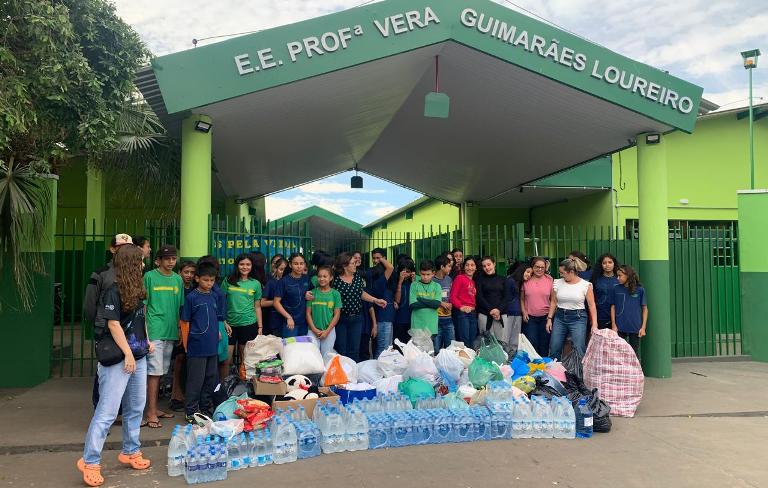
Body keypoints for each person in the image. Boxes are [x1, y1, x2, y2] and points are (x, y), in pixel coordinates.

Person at [79, 245, 152, 487]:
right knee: (107, 411)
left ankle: (131, 451)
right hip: (119, 358)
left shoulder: (139, 289)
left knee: (135, 408)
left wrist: (147, 342)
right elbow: (113, 324)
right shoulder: (112, 290)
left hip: (138, 355)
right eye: (140, 261)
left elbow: (141, 318)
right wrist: (129, 354)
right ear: (131, 264)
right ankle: (90, 462)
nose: (143, 265)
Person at [83, 233, 133, 410]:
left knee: (125, 370)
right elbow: (90, 304)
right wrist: (98, 323)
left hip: (127, 330)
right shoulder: (101, 273)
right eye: (120, 248)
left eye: (128, 248)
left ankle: (118, 411)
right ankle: (100, 410)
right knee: (105, 370)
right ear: (113, 249)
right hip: (105, 330)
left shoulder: (134, 272)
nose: (124, 252)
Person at [142, 245, 184, 429]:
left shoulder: (177, 280)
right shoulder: (149, 277)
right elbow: (143, 306)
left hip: (171, 332)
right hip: (154, 331)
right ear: (158, 260)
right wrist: (145, 334)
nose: (170, 261)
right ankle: (150, 412)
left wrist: (180, 330)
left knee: (161, 372)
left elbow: (179, 308)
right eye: (167, 258)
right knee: (153, 373)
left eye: (173, 258)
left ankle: (154, 408)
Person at [180, 265, 222, 422]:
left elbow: (214, 317)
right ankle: (191, 411)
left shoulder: (214, 296)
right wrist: (186, 344)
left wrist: (217, 331)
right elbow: (185, 322)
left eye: (212, 280)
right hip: (196, 345)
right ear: (197, 279)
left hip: (212, 344)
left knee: (210, 378)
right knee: (195, 380)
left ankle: (205, 409)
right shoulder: (191, 297)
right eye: (205, 280)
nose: (209, 283)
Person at [331, 252, 386, 362]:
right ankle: (343, 375)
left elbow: (360, 293)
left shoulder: (357, 278)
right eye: (353, 263)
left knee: (354, 350)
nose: (356, 265)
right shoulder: (335, 280)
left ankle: (353, 375)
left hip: (357, 318)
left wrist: (375, 300)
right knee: (342, 349)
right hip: (341, 319)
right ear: (344, 265)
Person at [546, 257, 598, 360]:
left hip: (578, 317)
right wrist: (549, 319)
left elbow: (592, 305)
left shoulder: (585, 285)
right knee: (554, 347)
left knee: (579, 348)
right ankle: (554, 373)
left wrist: (594, 323)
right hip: (560, 317)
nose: (561, 275)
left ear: (571, 272)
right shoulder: (557, 283)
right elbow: (553, 302)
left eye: (562, 272)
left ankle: (579, 374)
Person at [222, 254, 263, 374]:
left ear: (252, 266)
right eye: (242, 264)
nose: (245, 267)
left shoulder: (255, 283)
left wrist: (260, 327)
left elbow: (257, 306)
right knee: (226, 360)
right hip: (229, 325)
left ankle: (244, 386)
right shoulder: (228, 281)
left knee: (246, 360)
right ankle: (224, 386)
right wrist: (224, 321)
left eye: (248, 264)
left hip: (249, 324)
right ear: (237, 265)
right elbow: (221, 303)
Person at [169, 261, 196, 412]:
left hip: (193, 329)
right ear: (180, 272)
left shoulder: (194, 289)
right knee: (178, 361)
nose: (189, 275)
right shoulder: (176, 288)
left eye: (192, 272)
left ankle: (185, 395)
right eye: (186, 272)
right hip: (178, 328)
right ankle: (175, 396)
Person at [475, 256, 519, 351]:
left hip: (501, 315)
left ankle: (501, 363)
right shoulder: (479, 280)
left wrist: (498, 310)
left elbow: (507, 297)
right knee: (485, 343)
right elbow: (479, 297)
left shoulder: (503, 280)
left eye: (489, 264)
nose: (487, 267)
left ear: (494, 264)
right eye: (484, 266)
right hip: (485, 315)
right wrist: (491, 310)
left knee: (501, 342)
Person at [196, 255, 228, 381]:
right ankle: (215, 391)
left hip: (220, 323)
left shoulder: (214, 286)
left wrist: (224, 322)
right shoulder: (205, 290)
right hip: (213, 325)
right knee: (214, 362)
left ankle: (220, 390)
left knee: (221, 360)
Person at [610, 265, 648, 358]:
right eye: (617, 276)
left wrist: (643, 328)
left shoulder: (640, 290)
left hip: (635, 326)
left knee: (634, 352)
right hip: (619, 326)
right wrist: (614, 325)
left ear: (628, 275)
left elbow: (645, 309)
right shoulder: (616, 288)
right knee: (618, 351)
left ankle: (635, 372)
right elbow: (613, 307)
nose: (618, 278)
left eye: (620, 276)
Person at [520, 257, 554, 358]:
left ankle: (543, 368)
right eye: (537, 267)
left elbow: (553, 300)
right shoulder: (526, 279)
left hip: (545, 318)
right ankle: (533, 368)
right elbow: (521, 299)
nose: (539, 269)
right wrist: (524, 312)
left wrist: (550, 318)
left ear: (545, 268)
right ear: (532, 267)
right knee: (531, 343)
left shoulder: (549, 280)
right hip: (530, 318)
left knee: (544, 345)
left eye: (542, 267)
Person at [306, 266, 342, 357]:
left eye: (325, 276)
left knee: (327, 356)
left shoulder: (335, 294)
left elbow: (337, 314)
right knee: (313, 356)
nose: (321, 279)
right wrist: (314, 329)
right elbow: (308, 313)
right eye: (319, 276)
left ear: (331, 278)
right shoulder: (312, 293)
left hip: (329, 331)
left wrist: (327, 331)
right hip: (312, 331)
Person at [273, 253, 311, 338]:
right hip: (290, 323)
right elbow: (276, 302)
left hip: (304, 322)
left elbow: (313, 293)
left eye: (301, 263)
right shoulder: (284, 281)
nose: (299, 266)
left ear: (305, 264)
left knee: (302, 348)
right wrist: (288, 317)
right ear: (290, 265)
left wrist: (309, 295)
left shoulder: (307, 279)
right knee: (289, 348)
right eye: (296, 264)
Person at [367, 248, 395, 358]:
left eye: (378, 258)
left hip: (387, 316)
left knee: (386, 347)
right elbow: (390, 267)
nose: (375, 261)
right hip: (382, 317)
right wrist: (382, 260)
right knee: (383, 348)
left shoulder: (388, 278)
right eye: (373, 258)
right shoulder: (377, 279)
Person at [409, 260, 442, 352]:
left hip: (431, 325)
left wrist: (420, 299)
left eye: (428, 274)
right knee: (416, 353)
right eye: (423, 274)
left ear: (433, 273)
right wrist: (430, 302)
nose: (425, 277)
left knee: (430, 353)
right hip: (417, 325)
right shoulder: (414, 285)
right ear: (419, 272)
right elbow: (413, 305)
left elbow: (436, 304)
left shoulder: (437, 286)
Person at [449, 256, 478, 348]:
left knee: (473, 340)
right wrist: (462, 307)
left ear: (476, 267)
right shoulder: (459, 278)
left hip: (473, 313)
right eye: (467, 265)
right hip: (462, 313)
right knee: (464, 341)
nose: (470, 268)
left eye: (472, 265)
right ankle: (465, 361)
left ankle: (470, 360)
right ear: (464, 267)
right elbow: (452, 297)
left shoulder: (473, 281)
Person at [590, 253, 620, 330]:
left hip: (618, 316)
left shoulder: (620, 279)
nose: (607, 265)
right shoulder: (596, 279)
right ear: (601, 265)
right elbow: (591, 300)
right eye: (604, 263)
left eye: (610, 262)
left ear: (614, 264)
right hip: (600, 316)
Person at [432, 254, 455, 351]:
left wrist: (451, 304)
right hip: (435, 320)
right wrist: (442, 304)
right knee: (436, 349)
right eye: (449, 266)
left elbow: (452, 296)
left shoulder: (449, 279)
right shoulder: (431, 281)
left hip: (448, 319)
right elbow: (429, 299)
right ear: (442, 267)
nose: (451, 268)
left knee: (451, 349)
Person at [261, 257, 287, 336]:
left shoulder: (292, 282)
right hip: (275, 320)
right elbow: (262, 303)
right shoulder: (271, 283)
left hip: (291, 320)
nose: (283, 272)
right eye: (281, 269)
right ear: (276, 269)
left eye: (286, 270)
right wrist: (276, 302)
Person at [393, 257, 416, 344]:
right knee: (398, 344)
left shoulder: (414, 283)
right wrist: (400, 282)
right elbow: (397, 300)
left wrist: (414, 281)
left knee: (410, 346)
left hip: (412, 319)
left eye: (408, 271)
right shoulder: (395, 282)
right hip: (399, 319)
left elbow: (415, 299)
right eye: (404, 271)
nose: (406, 274)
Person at [504, 261, 525, 352]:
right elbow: (506, 297)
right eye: (527, 272)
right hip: (510, 312)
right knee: (507, 337)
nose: (529, 275)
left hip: (518, 313)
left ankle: (512, 356)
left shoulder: (521, 282)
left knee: (515, 339)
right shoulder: (510, 280)